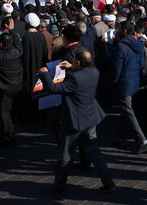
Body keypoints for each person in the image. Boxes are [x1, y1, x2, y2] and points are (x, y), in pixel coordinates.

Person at [38, 50, 114, 196]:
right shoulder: (95, 72)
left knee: (65, 155)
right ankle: (107, 181)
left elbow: (54, 88)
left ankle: (58, 186)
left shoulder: (74, 78)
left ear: (78, 62)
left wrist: (44, 73)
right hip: (90, 117)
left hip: (75, 120)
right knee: (95, 151)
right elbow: (82, 75)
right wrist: (71, 67)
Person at [113, 21, 147, 154]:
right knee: (125, 109)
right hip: (134, 80)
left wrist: (114, 81)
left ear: (124, 31)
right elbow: (141, 64)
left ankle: (142, 141)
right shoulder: (139, 44)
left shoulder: (121, 46)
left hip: (124, 82)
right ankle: (121, 136)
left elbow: (117, 68)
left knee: (128, 111)